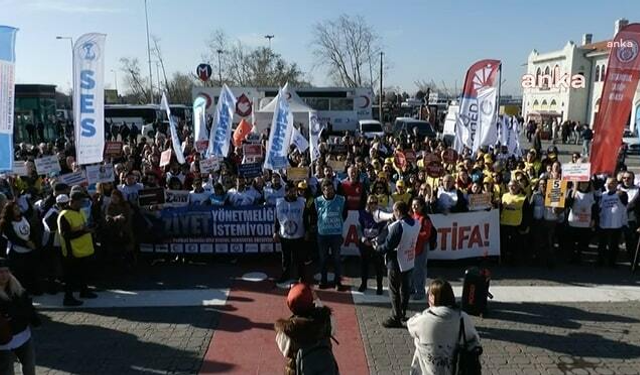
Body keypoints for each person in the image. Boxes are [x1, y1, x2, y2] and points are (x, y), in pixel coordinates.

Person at [407, 279, 480, 375]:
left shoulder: (422, 320)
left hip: (429, 371)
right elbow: (476, 341)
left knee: (419, 341)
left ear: (433, 298)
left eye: (429, 294)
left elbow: (410, 325)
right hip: (457, 371)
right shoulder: (462, 318)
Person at [274, 283, 338, 375]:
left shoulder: (287, 331)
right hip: (325, 369)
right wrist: (317, 300)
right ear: (311, 300)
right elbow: (332, 327)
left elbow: (284, 350)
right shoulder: (326, 320)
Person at [376, 201, 420, 328]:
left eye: (394, 211)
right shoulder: (416, 223)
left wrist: (377, 248)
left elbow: (388, 246)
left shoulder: (398, 226)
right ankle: (402, 312)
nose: (393, 214)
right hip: (409, 259)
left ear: (398, 212)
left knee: (394, 290)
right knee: (405, 290)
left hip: (396, 261)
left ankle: (396, 317)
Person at [0, 258, 40, 375]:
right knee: (6, 370)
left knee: (29, 367)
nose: (4, 275)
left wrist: (35, 320)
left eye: (6, 271)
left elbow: (28, 307)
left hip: (23, 335)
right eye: (0, 272)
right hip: (4, 340)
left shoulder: (17, 288)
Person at [58, 191, 98, 306]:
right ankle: (68, 298)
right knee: (70, 277)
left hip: (83, 249)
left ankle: (84, 291)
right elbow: (66, 235)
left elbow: (83, 226)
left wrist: (89, 229)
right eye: (81, 201)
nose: (83, 203)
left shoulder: (80, 212)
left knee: (83, 273)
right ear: (73, 201)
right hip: (72, 252)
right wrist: (83, 231)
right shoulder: (64, 215)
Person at [313, 179, 347, 290]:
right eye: (327, 190)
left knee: (336, 259)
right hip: (322, 235)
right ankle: (323, 280)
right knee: (323, 259)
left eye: (331, 189)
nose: (330, 191)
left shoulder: (341, 200)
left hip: (336, 234)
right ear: (323, 190)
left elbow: (344, 214)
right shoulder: (317, 201)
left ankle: (338, 282)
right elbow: (314, 216)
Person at [274, 182, 310, 284]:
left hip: (299, 235)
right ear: (286, 192)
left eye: (294, 191)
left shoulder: (301, 202)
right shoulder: (280, 203)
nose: (292, 193)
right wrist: (275, 232)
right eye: (290, 191)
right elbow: (277, 219)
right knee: (286, 258)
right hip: (284, 235)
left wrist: (307, 231)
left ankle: (301, 276)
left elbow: (305, 218)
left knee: (299, 258)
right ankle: (286, 275)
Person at [0, 202, 39, 295]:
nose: (18, 210)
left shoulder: (23, 218)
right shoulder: (6, 223)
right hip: (16, 252)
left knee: (31, 272)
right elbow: (13, 238)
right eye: (15, 209)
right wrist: (26, 243)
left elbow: (31, 230)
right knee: (20, 274)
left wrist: (33, 241)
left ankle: (33, 289)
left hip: (29, 250)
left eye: (18, 208)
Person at [356, 195, 392, 295]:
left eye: (375, 203)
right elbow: (359, 228)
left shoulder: (381, 214)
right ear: (367, 203)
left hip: (377, 243)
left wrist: (377, 240)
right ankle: (363, 284)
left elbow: (385, 230)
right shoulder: (362, 213)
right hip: (365, 243)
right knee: (364, 265)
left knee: (378, 266)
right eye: (371, 203)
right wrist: (363, 239)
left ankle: (379, 286)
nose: (373, 205)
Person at [597, 177, 627, 267]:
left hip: (616, 224)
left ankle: (611, 262)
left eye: (612, 183)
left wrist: (621, 193)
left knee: (613, 245)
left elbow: (625, 201)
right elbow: (598, 207)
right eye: (608, 183)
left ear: (616, 184)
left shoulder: (621, 194)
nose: (609, 185)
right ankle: (600, 261)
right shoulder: (603, 195)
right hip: (604, 223)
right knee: (602, 245)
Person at [500, 179, 531, 265]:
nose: (512, 188)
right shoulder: (504, 196)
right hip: (504, 223)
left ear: (518, 187)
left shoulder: (523, 198)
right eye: (510, 186)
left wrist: (525, 225)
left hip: (516, 224)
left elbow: (527, 213)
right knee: (505, 244)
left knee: (516, 245)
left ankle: (515, 261)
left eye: (514, 186)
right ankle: (505, 260)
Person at [411, 198, 437, 300]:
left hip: (422, 247)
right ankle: (412, 288)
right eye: (413, 205)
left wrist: (414, 235)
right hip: (414, 246)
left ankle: (420, 291)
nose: (414, 207)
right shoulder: (412, 217)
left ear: (422, 206)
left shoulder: (425, 219)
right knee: (413, 269)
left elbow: (426, 234)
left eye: (417, 205)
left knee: (419, 270)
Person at [565, 181, 597, 264]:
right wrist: (572, 195)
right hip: (574, 221)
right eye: (582, 183)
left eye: (586, 183)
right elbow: (568, 204)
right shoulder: (574, 192)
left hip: (585, 222)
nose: (584, 185)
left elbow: (594, 208)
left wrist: (593, 219)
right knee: (571, 241)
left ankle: (579, 257)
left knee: (581, 241)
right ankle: (571, 257)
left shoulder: (591, 194)